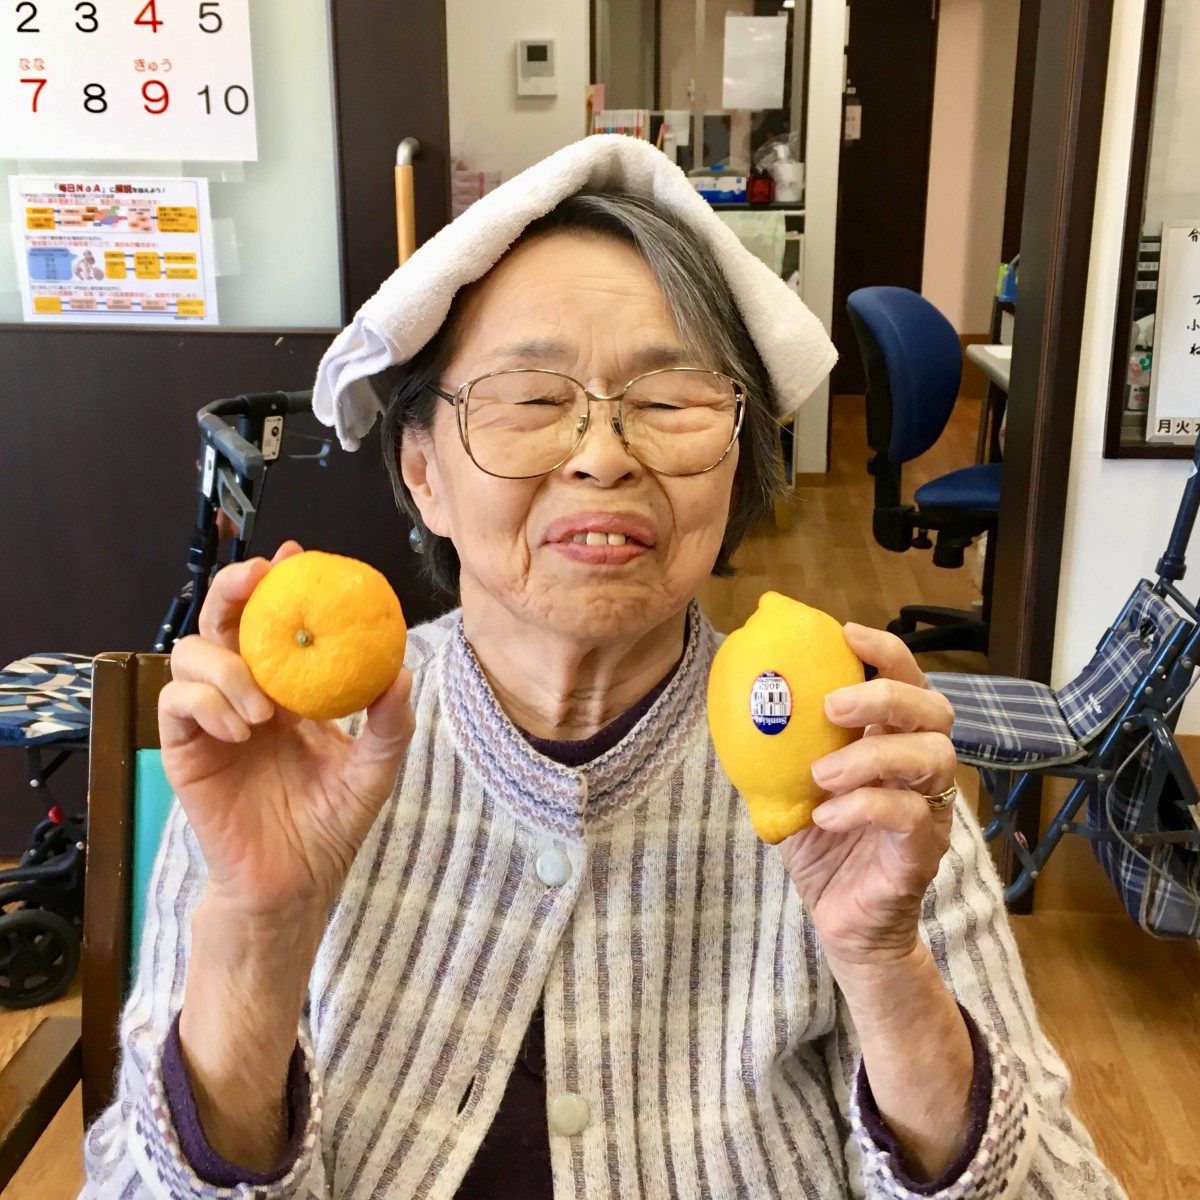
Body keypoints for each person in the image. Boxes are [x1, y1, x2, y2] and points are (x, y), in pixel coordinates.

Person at [80, 142, 1126, 1199]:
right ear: (423, 472)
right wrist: (258, 940)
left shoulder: (853, 759)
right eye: (531, 399)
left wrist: (886, 968)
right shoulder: (292, 750)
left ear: (735, 467)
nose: (603, 454)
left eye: (668, 401)